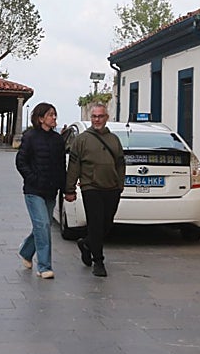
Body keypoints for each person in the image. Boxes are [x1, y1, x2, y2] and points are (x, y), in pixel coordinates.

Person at [65, 102, 125, 277]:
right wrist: (70, 189)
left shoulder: (114, 139)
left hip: (112, 188)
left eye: (100, 116)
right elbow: (74, 166)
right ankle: (98, 261)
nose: (97, 119)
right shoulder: (82, 139)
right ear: (90, 118)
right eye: (94, 116)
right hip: (91, 187)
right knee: (96, 223)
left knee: (107, 223)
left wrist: (120, 184)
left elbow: (121, 163)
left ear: (106, 118)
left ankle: (86, 243)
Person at [15, 102, 67, 280]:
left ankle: (25, 251)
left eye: (54, 114)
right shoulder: (29, 137)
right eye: (50, 114)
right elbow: (21, 162)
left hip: (51, 190)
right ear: (40, 118)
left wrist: (65, 187)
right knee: (43, 225)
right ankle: (44, 267)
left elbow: (61, 166)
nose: (54, 118)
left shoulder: (58, 140)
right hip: (34, 190)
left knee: (41, 226)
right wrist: (32, 178)